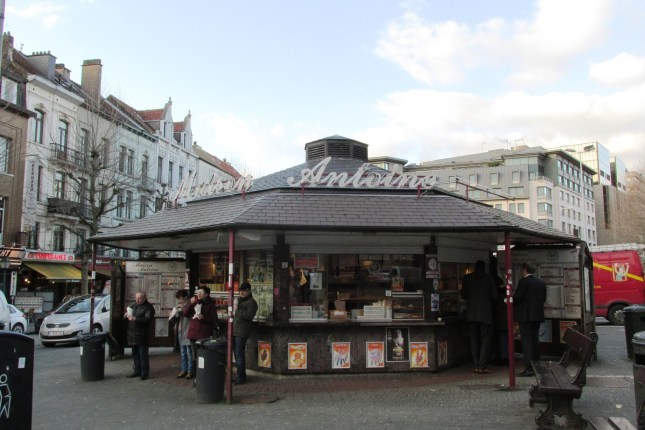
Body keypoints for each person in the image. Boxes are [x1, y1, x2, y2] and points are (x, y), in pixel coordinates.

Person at [460, 260, 498, 374]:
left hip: (471, 314)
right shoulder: (489, 278)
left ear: (475, 267)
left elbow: (463, 295)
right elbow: (495, 297)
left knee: (474, 340)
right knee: (485, 340)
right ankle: (482, 365)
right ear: (484, 268)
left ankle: (476, 364)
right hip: (485, 314)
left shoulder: (467, 278)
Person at [513, 262, 547, 377]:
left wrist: (509, 301)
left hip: (525, 316)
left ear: (524, 270)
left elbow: (517, 298)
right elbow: (543, 299)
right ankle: (537, 366)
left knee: (526, 342)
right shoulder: (541, 283)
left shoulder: (523, 282)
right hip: (537, 316)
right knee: (535, 340)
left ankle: (529, 369)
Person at [184, 286, 216, 374]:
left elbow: (213, 318)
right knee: (194, 355)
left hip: (203, 333)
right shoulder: (195, 302)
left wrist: (203, 317)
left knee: (203, 355)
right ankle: (196, 374)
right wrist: (191, 304)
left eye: (201, 292)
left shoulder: (210, 304)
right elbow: (186, 313)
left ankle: (203, 374)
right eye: (197, 292)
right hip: (193, 332)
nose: (198, 294)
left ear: (206, 294)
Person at [124, 291, 156, 380]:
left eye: (139, 298)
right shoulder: (133, 306)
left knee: (143, 355)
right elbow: (128, 315)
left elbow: (148, 319)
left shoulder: (148, 307)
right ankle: (137, 371)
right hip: (132, 334)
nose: (137, 300)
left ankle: (144, 373)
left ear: (144, 298)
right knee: (135, 354)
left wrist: (136, 319)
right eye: (136, 298)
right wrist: (126, 315)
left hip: (142, 334)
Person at [233, 282, 258, 385]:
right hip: (235, 330)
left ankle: (241, 377)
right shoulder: (239, 300)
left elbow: (249, 316)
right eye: (240, 291)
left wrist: (237, 309)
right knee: (236, 354)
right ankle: (240, 375)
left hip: (242, 332)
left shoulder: (252, 303)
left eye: (244, 291)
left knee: (239, 355)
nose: (241, 293)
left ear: (249, 291)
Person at [170, 289, 194, 379]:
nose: (180, 301)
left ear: (186, 297)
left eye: (181, 298)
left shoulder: (190, 305)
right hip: (180, 330)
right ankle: (184, 370)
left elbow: (188, 315)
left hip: (187, 330)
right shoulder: (179, 306)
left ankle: (190, 371)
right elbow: (175, 319)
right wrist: (174, 313)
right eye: (179, 299)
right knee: (182, 352)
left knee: (189, 352)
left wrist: (182, 309)